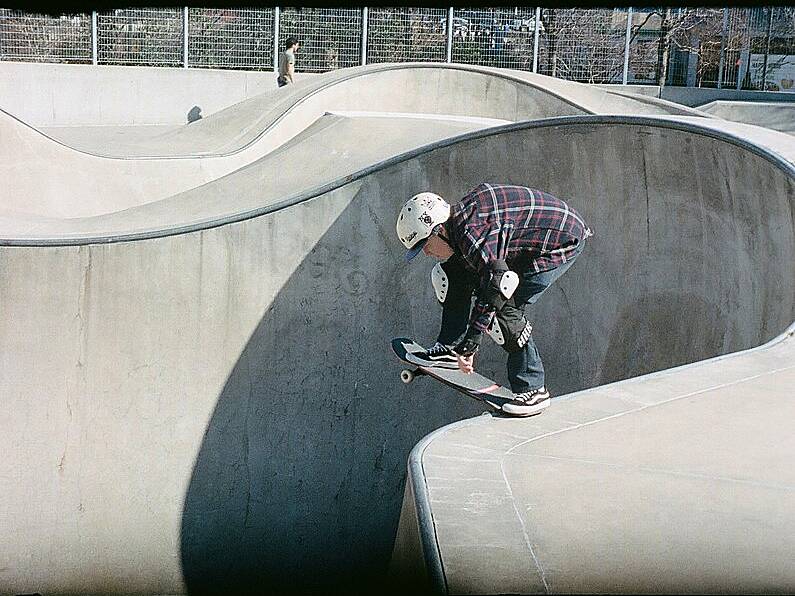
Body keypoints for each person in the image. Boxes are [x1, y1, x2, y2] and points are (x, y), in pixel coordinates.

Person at [396, 183, 592, 417]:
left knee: (501, 307)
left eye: (426, 245)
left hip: (560, 242)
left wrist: (471, 342)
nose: (426, 253)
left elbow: (498, 283)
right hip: (521, 243)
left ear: (439, 230)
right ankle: (447, 349)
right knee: (449, 274)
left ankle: (533, 388)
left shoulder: (473, 233)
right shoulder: (459, 227)